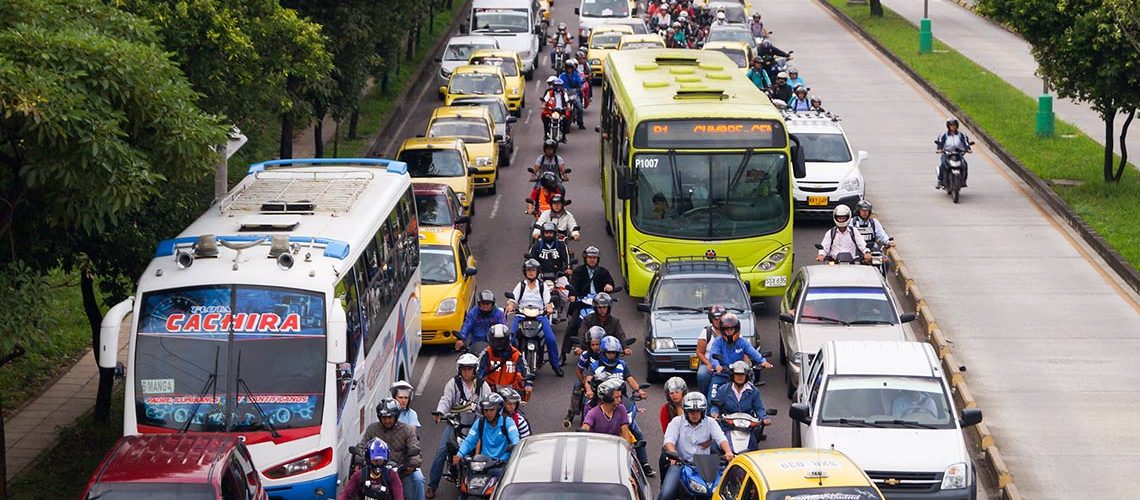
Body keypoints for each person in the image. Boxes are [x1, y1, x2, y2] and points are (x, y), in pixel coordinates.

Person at [585, 336, 655, 476]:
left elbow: (630, 379)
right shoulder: (595, 366)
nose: (611, 355)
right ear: (603, 352)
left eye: (614, 353)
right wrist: (588, 391)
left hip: (620, 401)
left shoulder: (622, 365)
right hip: (601, 402)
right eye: (609, 352)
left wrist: (639, 391)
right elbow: (588, 380)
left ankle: (644, 464)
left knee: (637, 433)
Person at [426, 354, 491, 498]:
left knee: (490, 449)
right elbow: (446, 399)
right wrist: (440, 412)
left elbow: (489, 402)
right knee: (442, 451)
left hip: (477, 424)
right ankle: (432, 484)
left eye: (470, 368)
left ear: (475, 370)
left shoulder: (483, 385)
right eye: (464, 368)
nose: (467, 371)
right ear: (459, 370)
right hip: (456, 423)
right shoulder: (453, 384)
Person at [659, 392, 735, 500]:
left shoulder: (711, 422)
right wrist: (673, 453)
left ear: (703, 411)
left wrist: (728, 452)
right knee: (665, 495)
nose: (694, 414)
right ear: (686, 411)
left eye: (698, 411)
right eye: (691, 411)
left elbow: (721, 438)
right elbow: (669, 440)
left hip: (706, 467)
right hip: (681, 464)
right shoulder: (676, 422)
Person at [507, 259, 564, 376]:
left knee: (551, 339)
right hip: (522, 315)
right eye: (528, 270)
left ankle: (555, 365)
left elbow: (548, 302)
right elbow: (513, 299)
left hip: (539, 315)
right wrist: (511, 306)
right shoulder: (521, 285)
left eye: (533, 270)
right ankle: (510, 365)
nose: (531, 272)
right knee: (511, 339)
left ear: (537, 272)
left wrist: (549, 308)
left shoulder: (543, 286)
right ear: (525, 272)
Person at [360, 398, 424, 500]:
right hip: (376, 473)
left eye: (390, 417)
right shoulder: (372, 429)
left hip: (402, 473)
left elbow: (415, 448)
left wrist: (412, 463)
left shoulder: (407, 430)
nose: (387, 421)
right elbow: (362, 446)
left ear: (396, 416)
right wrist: (360, 459)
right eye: (384, 417)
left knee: (409, 495)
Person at [453, 393, 520, 480]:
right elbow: (469, 442)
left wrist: (514, 446)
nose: (488, 413)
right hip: (482, 464)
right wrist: (459, 454)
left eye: (491, 410)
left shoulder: (508, 422)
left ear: (499, 410)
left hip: (501, 465)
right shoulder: (479, 423)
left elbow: (515, 439)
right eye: (486, 410)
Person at [564, 245, 616, 355]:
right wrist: (572, 295)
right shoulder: (578, 271)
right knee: (572, 326)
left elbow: (610, 282)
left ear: (598, 259)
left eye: (594, 257)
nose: (592, 260)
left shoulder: (603, 271)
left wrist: (609, 286)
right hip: (582, 304)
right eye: (590, 257)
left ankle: (614, 349)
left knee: (611, 325)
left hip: (599, 304)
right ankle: (563, 354)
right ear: (585, 258)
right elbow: (573, 284)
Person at [709, 361, 770, 452]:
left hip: (747, 426)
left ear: (747, 376)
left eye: (742, 374)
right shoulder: (723, 390)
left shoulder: (754, 391)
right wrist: (714, 413)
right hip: (727, 425)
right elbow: (715, 405)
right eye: (737, 374)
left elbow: (759, 408)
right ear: (732, 375)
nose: (739, 377)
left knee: (754, 447)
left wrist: (764, 418)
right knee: (715, 448)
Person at [706, 313, 772, 391]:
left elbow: (753, 352)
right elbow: (713, 355)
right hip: (721, 375)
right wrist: (717, 366)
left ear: (736, 329)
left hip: (739, 375)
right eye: (727, 329)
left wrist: (763, 362)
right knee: (712, 396)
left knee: (752, 393)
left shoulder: (742, 342)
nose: (729, 332)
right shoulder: (718, 341)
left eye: (732, 329)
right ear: (723, 330)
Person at [565, 325, 608, 424]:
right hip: (589, 380)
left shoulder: (608, 355)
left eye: (598, 344)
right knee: (577, 387)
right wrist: (584, 382)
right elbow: (578, 371)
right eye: (593, 345)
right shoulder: (585, 355)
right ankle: (572, 412)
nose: (595, 347)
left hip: (605, 380)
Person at [478, 324, 535, 397]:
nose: (499, 343)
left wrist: (528, 384)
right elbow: (479, 371)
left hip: (512, 393)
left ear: (507, 339)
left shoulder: (516, 354)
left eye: (501, 340)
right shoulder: (486, 353)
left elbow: (525, 369)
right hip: (491, 393)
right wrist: (478, 383)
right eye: (496, 340)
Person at [581, 378, 637, 445]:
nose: (619, 400)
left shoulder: (621, 409)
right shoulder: (593, 413)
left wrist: (627, 447)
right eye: (616, 397)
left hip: (614, 446)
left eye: (620, 397)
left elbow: (625, 431)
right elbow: (586, 426)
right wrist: (584, 430)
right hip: (597, 446)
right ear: (607, 398)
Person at [657, 377, 688, 484]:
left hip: (693, 443)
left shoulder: (692, 406)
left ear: (683, 392)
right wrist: (673, 452)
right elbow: (667, 433)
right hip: (674, 445)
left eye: (677, 392)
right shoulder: (665, 409)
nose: (674, 395)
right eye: (671, 393)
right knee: (664, 458)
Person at [934, 117, 972, 189]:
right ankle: (940, 180)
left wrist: (968, 149)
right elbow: (940, 143)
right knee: (943, 164)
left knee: (964, 164)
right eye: (951, 125)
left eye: (954, 125)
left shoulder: (962, 135)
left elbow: (966, 143)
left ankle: (963, 181)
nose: (953, 127)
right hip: (947, 153)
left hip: (958, 154)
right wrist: (939, 149)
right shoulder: (944, 135)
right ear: (948, 126)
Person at [695, 305, 725, 395]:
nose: (718, 321)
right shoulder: (706, 332)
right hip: (709, 363)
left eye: (720, 318)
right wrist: (708, 363)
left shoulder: (730, 330)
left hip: (727, 363)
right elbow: (699, 352)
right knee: (702, 375)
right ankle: (705, 395)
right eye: (715, 319)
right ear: (711, 319)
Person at [540, 77, 570, 143]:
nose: (558, 87)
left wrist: (568, 107)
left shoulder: (564, 93)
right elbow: (545, 101)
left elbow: (567, 102)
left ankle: (564, 136)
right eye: (557, 86)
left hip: (561, 111)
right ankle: (546, 134)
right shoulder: (549, 93)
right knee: (545, 117)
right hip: (551, 111)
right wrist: (543, 106)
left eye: (560, 86)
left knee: (566, 119)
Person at [560, 60, 586, 129]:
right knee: (560, 107)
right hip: (566, 95)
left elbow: (580, 82)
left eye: (570, 68)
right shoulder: (562, 76)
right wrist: (563, 89)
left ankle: (580, 123)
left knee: (580, 108)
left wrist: (581, 87)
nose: (569, 70)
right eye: (568, 68)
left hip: (575, 94)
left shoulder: (576, 75)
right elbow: (560, 84)